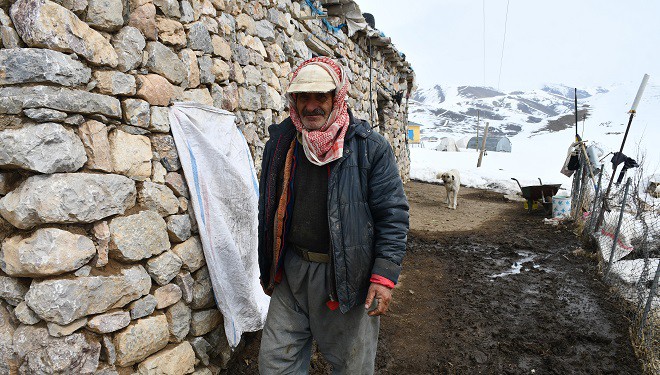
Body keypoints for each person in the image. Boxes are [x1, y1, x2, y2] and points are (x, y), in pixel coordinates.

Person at [257, 56, 409, 374]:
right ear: (293, 100)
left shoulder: (371, 148)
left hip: (347, 277)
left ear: (336, 98)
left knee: (352, 365)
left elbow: (392, 215)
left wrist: (383, 277)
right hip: (292, 271)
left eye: (320, 97)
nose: (311, 106)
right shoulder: (282, 143)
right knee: (275, 363)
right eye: (303, 97)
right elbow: (269, 208)